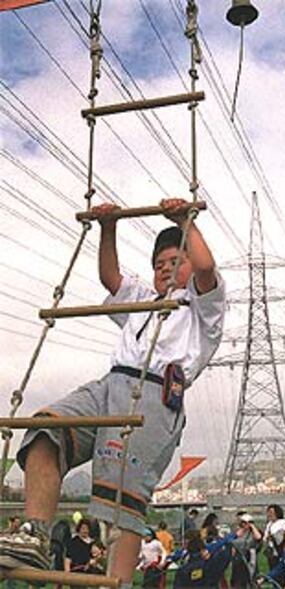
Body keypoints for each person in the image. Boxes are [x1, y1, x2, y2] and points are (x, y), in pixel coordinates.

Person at [0, 198, 226, 589]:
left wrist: (186, 223)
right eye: (159, 264)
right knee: (44, 432)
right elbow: (111, 278)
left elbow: (206, 268)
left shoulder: (202, 307)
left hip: (155, 394)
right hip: (110, 385)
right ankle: (35, 532)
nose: (167, 268)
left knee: (121, 499)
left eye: (177, 260)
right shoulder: (142, 300)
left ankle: (118, 581)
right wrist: (108, 228)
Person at [230, 513, 262, 589]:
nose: (246, 524)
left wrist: (252, 526)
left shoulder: (253, 532)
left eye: (248, 522)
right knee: (238, 580)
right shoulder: (238, 531)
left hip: (250, 558)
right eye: (244, 522)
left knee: (251, 578)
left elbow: (258, 537)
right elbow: (233, 539)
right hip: (238, 558)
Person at [263, 504, 285, 570]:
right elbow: (265, 536)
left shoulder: (282, 522)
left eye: (271, 512)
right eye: (268, 512)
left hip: (280, 549)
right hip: (272, 551)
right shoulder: (269, 524)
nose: (270, 514)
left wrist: (275, 537)